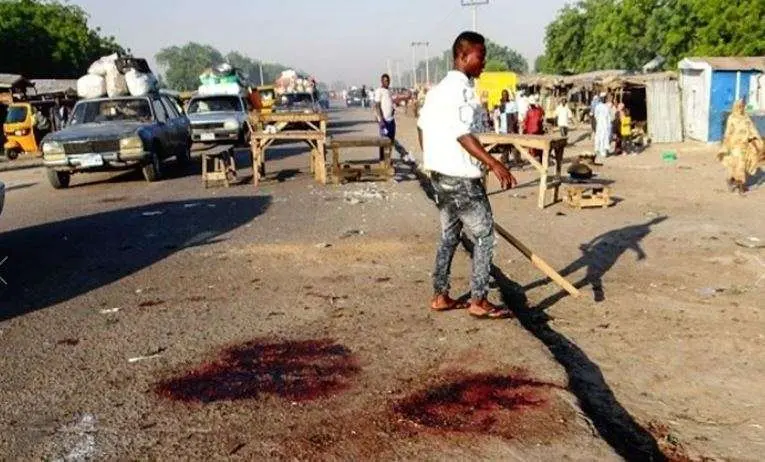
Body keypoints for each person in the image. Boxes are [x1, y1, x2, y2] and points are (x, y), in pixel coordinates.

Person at [417, 31, 517, 319]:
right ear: (463, 56)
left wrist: (433, 159)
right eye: (480, 57)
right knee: (485, 235)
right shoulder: (461, 91)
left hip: (439, 176)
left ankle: (440, 295)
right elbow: (463, 134)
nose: (483, 63)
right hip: (461, 179)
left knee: (449, 235)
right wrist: (495, 164)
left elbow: (422, 128)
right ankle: (479, 300)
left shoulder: (436, 91)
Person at [717, 99, 764, 194]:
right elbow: (728, 133)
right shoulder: (732, 118)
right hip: (735, 146)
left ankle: (732, 181)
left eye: (742, 106)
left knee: (743, 165)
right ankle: (741, 186)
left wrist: (756, 141)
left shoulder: (746, 118)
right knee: (739, 165)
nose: (741, 108)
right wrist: (725, 146)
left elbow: (752, 130)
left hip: (745, 146)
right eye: (740, 106)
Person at [524, 95, 545, 159]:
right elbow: (543, 113)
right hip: (536, 130)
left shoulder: (529, 112)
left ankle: (534, 155)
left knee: (532, 145)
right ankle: (537, 155)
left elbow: (526, 121)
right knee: (537, 145)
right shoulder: (538, 111)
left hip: (532, 131)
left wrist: (525, 128)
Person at [593, 93, 613, 163]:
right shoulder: (599, 106)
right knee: (601, 137)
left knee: (604, 137)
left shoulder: (606, 106)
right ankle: (601, 151)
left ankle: (603, 151)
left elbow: (608, 117)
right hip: (601, 125)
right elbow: (596, 116)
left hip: (604, 125)